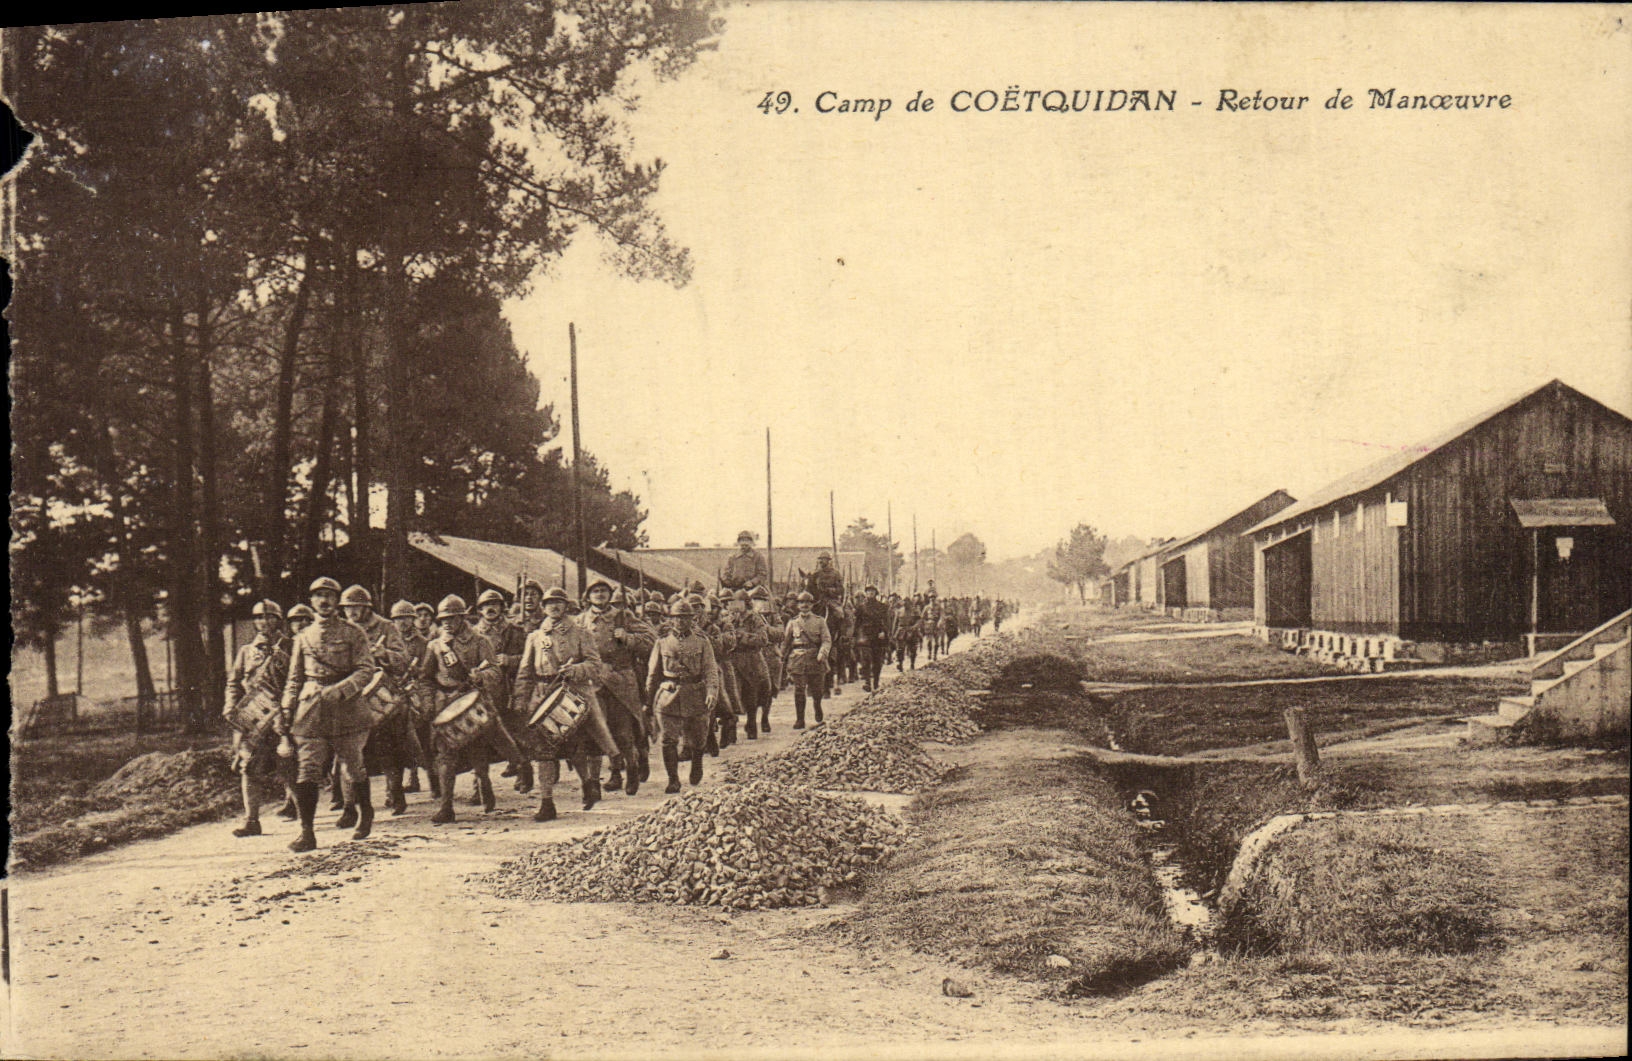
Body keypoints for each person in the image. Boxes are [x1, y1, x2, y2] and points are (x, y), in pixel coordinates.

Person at [278, 577, 379, 853]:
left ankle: (365, 811)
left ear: (337, 601)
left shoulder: (353, 632)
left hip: (346, 710)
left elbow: (366, 669)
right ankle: (307, 832)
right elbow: (294, 679)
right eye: (318, 596)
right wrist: (287, 709)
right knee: (307, 769)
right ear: (312, 602)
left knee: (352, 766)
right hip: (311, 710)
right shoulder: (303, 638)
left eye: (329, 596)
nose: (324, 601)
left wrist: (343, 689)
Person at [511, 586, 620, 820]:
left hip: (571, 696)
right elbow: (525, 671)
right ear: (543, 607)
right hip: (542, 697)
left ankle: (588, 784)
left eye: (559, 602)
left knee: (575, 747)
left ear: (566, 605)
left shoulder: (581, 633)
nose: (554, 607)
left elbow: (595, 666)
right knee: (543, 751)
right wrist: (521, 698)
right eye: (549, 603)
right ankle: (547, 802)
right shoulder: (535, 636)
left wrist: (576, 669)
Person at [418, 594, 524, 823]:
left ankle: (492, 783)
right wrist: (428, 702)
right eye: (443, 618)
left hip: (475, 702)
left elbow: (495, 671)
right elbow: (425, 678)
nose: (447, 622)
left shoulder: (480, 641)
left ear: (462, 617)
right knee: (445, 757)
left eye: (452, 617)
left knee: (481, 750)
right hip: (446, 705)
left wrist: (480, 676)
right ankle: (446, 807)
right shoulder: (436, 645)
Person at [223, 599, 293, 838]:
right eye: (259, 618)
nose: (264, 622)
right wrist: (230, 705)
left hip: (283, 714)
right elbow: (234, 683)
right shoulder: (246, 652)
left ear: (278, 620)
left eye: (269, 617)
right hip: (254, 715)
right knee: (249, 766)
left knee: (289, 764)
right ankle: (251, 820)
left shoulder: (292, 647)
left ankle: (301, 812)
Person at [581, 579, 653, 796]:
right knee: (597, 731)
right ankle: (605, 777)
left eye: (604, 591)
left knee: (623, 732)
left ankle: (631, 768)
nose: (600, 594)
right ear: (588, 596)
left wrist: (628, 638)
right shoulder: (580, 620)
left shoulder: (624, 616)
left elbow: (651, 640)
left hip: (620, 681)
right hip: (593, 682)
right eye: (595, 591)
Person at [646, 600, 720, 793]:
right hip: (668, 697)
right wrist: (649, 700)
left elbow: (711, 670)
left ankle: (697, 762)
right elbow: (653, 675)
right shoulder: (661, 642)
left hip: (696, 694)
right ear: (671, 619)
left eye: (685, 618)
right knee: (668, 740)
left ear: (692, 619)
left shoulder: (702, 642)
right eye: (676, 617)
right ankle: (673, 779)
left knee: (698, 738)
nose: (680, 621)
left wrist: (712, 692)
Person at [472, 587, 533, 793]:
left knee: (516, 731)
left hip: (509, 687)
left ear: (502, 608)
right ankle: (479, 786)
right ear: (479, 610)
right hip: (484, 690)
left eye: (494, 605)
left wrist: (510, 660)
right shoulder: (473, 634)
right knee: (478, 737)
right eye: (485, 606)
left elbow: (528, 658)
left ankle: (524, 771)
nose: (490, 609)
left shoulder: (515, 631)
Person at [781, 591, 832, 729]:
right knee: (799, 690)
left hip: (815, 658)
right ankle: (800, 719)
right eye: (801, 602)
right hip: (797, 659)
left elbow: (827, 640)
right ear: (797, 605)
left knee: (817, 690)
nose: (804, 605)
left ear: (812, 605)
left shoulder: (819, 621)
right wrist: (781, 656)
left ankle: (817, 706)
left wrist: (823, 652)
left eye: (807, 603)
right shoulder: (793, 623)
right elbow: (786, 642)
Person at [852, 584, 892, 692]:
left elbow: (886, 622)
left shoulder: (882, 607)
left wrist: (884, 631)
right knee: (865, 659)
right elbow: (857, 622)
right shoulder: (861, 607)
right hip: (865, 636)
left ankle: (876, 682)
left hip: (878, 636)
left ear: (876, 593)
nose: (870, 593)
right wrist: (854, 636)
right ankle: (867, 682)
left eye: (872, 591)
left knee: (877, 660)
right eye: (868, 591)